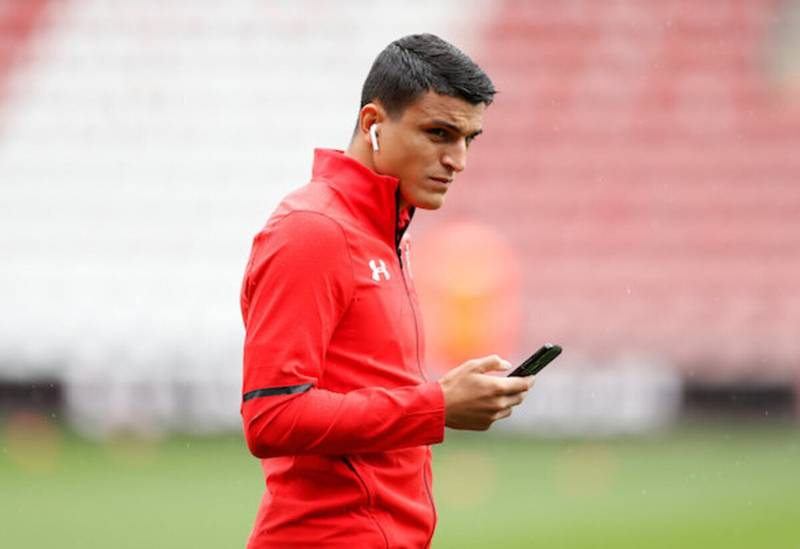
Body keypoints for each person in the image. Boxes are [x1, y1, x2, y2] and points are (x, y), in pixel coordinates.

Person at [239, 33, 535, 548]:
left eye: (469, 139)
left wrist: (442, 397)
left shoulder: (384, 232)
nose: (458, 159)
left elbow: (364, 386)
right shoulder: (313, 230)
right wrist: (437, 406)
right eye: (439, 133)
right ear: (373, 123)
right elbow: (271, 416)